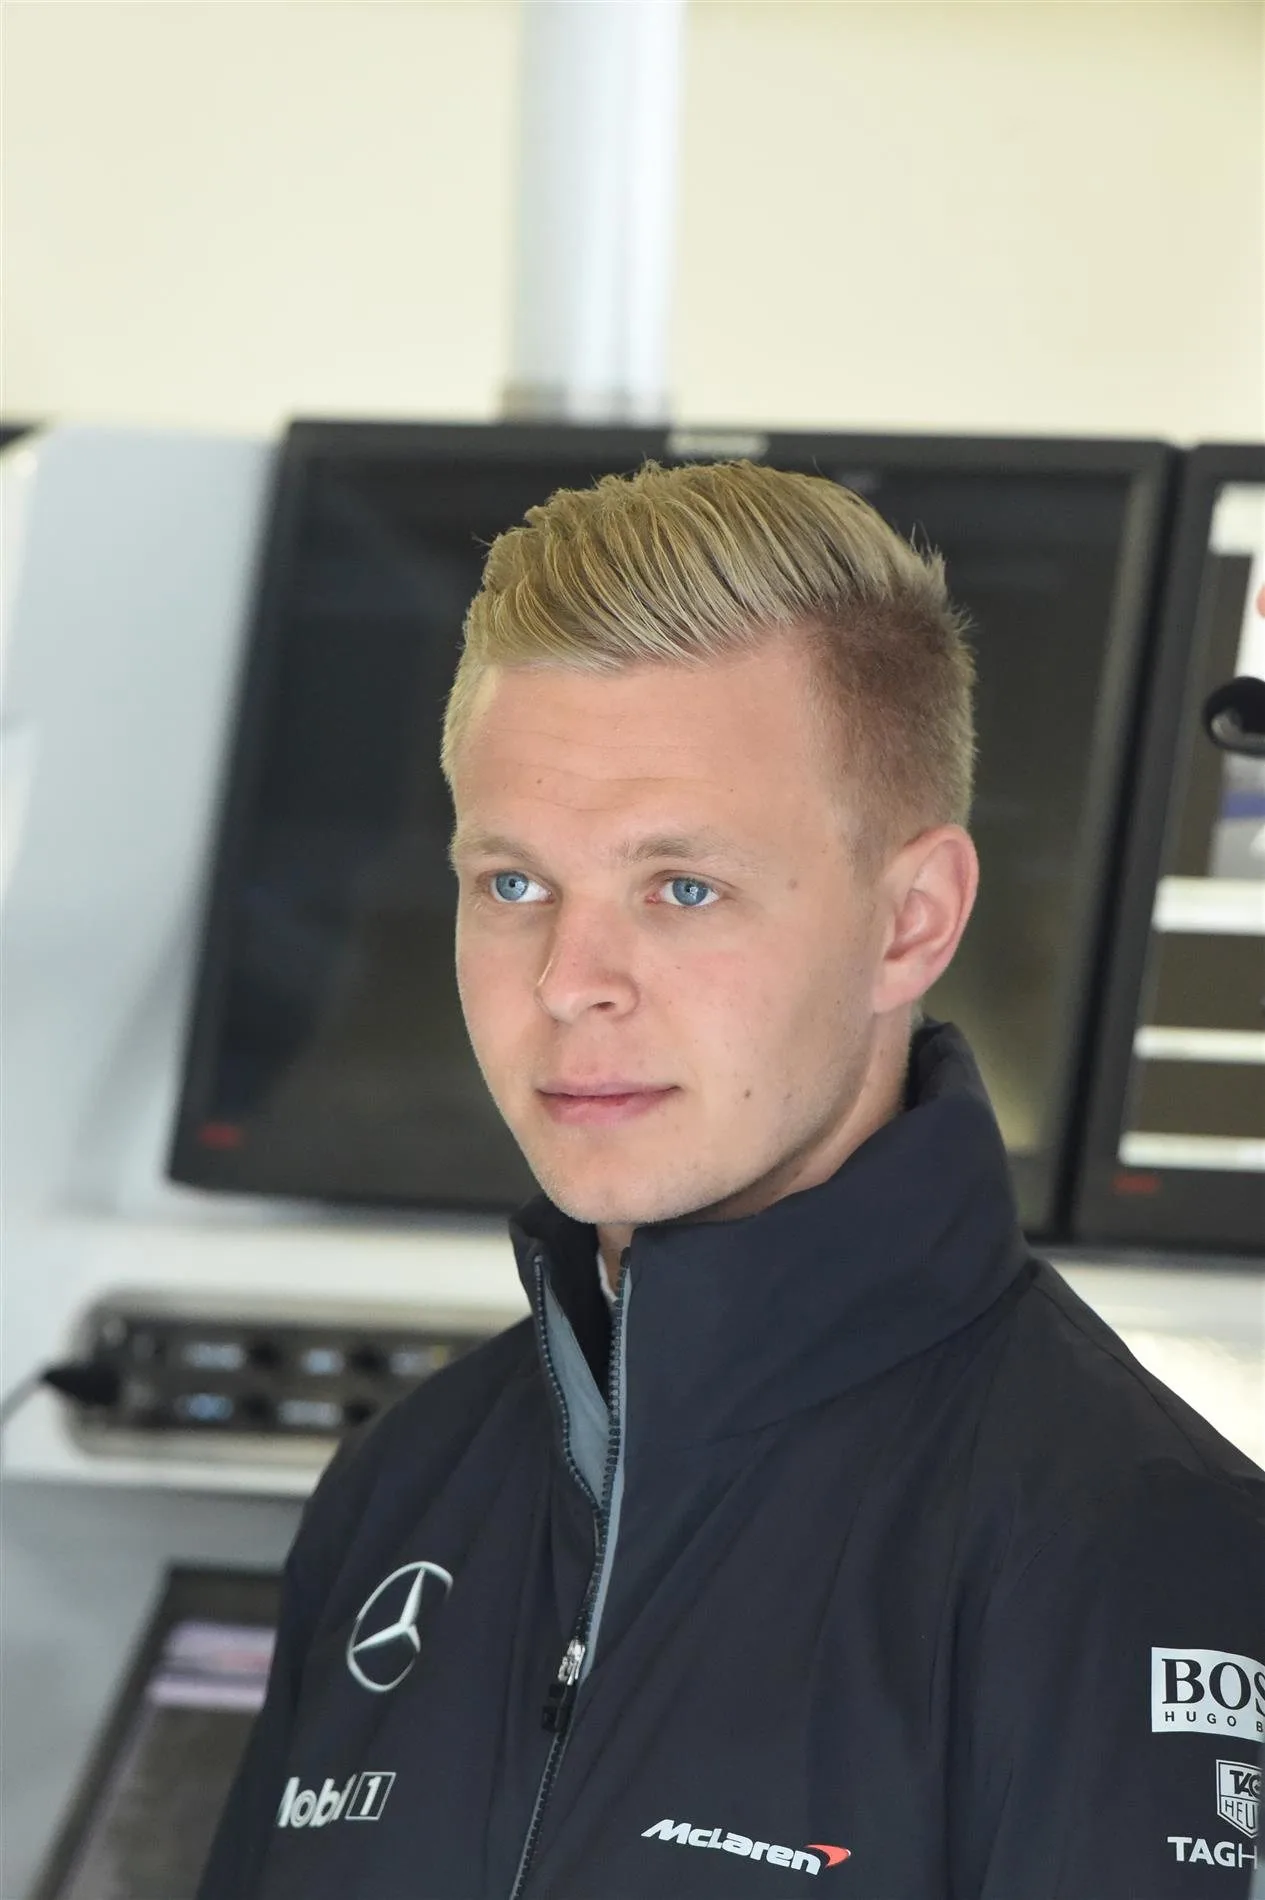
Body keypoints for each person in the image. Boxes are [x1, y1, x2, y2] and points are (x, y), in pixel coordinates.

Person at [197, 460, 1263, 1900]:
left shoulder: (1128, 1544)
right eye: (513, 884)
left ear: (911, 922)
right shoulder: (401, 1488)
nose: (569, 982)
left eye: (682, 888)